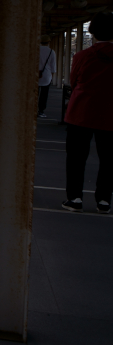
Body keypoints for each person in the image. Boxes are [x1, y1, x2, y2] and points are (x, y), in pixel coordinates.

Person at [61, 13, 113, 213]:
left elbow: (74, 82)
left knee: (76, 157)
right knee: (109, 159)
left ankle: (75, 198)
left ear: (91, 32)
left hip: (80, 113)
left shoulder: (82, 56)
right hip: (110, 115)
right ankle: (104, 201)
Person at [37, 35, 56, 118]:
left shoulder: (35, 50)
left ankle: (32, 109)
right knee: (44, 95)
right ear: (48, 42)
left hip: (35, 75)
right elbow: (53, 67)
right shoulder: (51, 51)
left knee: (34, 94)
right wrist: (51, 77)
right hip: (46, 75)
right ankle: (41, 111)